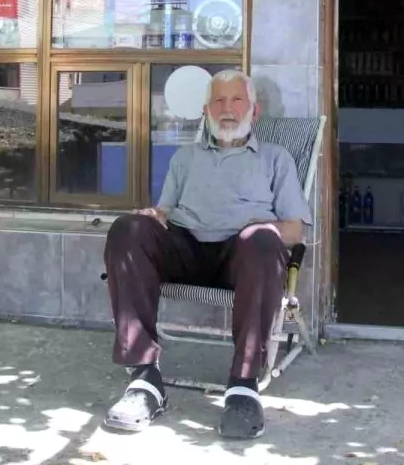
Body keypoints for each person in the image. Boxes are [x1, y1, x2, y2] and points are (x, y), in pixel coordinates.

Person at [102, 69, 310, 439]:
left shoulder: (276, 159)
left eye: (236, 100)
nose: (227, 109)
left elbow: (294, 230)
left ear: (254, 111)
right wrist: (152, 218)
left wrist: (261, 230)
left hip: (242, 255)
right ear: (206, 111)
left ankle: (243, 386)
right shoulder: (184, 158)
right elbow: (163, 214)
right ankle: (144, 380)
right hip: (185, 247)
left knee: (264, 241)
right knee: (127, 229)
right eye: (218, 101)